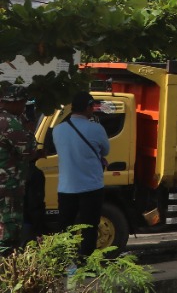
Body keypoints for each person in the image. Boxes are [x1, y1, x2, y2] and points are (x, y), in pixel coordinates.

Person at [51, 91, 108, 264]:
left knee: (65, 227)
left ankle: (64, 262)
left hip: (66, 188)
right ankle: (85, 263)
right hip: (91, 187)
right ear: (88, 107)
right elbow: (105, 150)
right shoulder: (96, 128)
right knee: (89, 228)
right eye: (92, 106)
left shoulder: (58, 130)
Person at [0, 85, 33, 252]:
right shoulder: (10, 123)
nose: (23, 107)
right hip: (8, 187)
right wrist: (29, 129)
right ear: (15, 102)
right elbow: (28, 150)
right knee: (9, 233)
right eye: (23, 103)